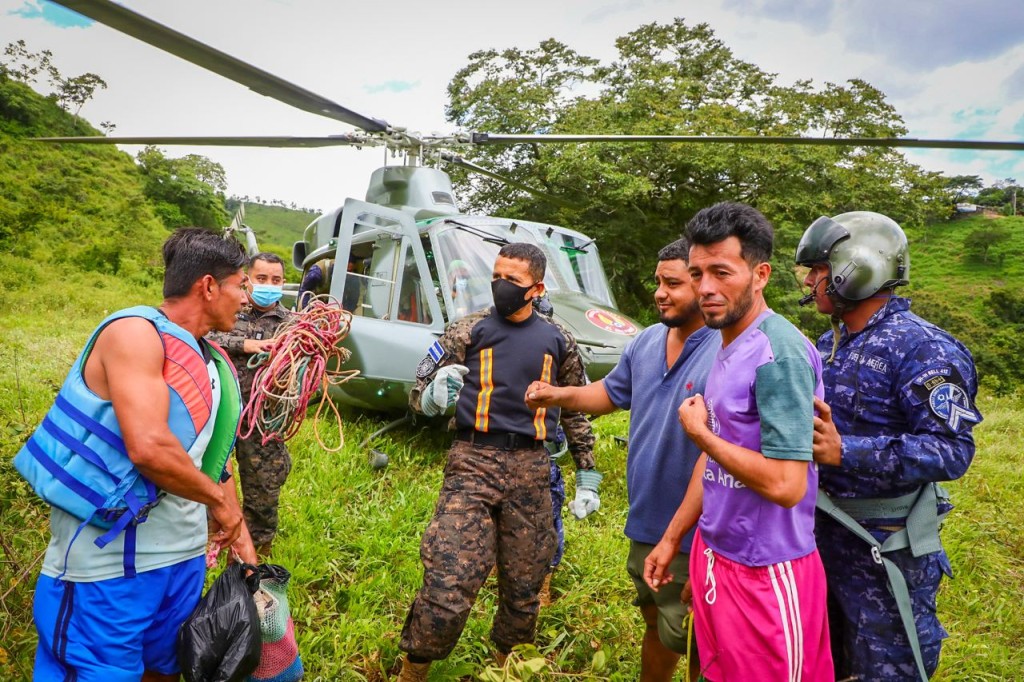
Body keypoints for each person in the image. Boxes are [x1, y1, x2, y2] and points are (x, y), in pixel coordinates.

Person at [15, 227, 256, 682]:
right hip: (105, 569)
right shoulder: (134, 334)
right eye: (240, 285)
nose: (247, 298)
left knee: (164, 670)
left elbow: (212, 459)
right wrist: (222, 507)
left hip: (181, 562)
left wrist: (240, 538)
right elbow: (149, 448)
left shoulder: (211, 360)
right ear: (207, 286)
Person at [644, 202, 833, 681]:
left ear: (760, 274)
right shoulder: (727, 344)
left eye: (721, 272)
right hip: (717, 556)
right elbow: (713, 464)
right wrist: (674, 540)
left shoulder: (778, 353)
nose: (706, 288)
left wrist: (701, 434)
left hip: (766, 573)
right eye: (697, 273)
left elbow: (788, 485)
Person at [396, 242, 597, 681]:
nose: (501, 286)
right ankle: (414, 668)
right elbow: (417, 389)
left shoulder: (558, 339)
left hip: (531, 468)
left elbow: (576, 407)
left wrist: (588, 473)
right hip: (473, 462)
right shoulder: (468, 330)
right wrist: (430, 399)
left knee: (525, 585)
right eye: (497, 276)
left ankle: (506, 664)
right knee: (448, 580)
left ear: (536, 288)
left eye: (513, 280)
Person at [795, 211, 981, 681]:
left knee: (888, 668)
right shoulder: (830, 344)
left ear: (854, 270)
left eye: (818, 271)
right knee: (825, 664)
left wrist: (847, 452)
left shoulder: (924, 349)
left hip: (885, 550)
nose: (811, 282)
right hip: (822, 539)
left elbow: (951, 451)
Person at [525, 238, 718, 682]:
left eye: (672, 283)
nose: (660, 293)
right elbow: (610, 393)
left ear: (701, 283)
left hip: (695, 529)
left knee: (695, 639)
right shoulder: (647, 341)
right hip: (646, 521)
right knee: (654, 622)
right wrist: (560, 394)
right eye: (658, 282)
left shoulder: (723, 348)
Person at [208, 251, 293, 557]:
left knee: (263, 492)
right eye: (261, 279)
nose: (269, 284)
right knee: (209, 478)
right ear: (248, 280)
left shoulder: (291, 325)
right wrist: (245, 345)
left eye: (276, 280)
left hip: (263, 421)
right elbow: (207, 334)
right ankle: (208, 542)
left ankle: (254, 554)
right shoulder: (229, 309)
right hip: (220, 413)